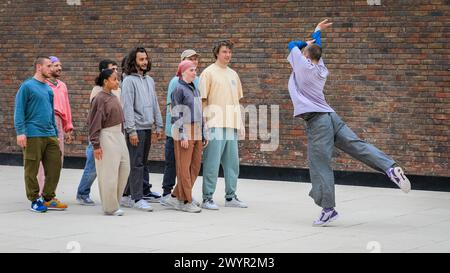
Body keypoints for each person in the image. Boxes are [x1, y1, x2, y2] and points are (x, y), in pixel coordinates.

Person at [287, 19, 411, 227]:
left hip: (317, 122)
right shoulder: (321, 68)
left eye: (304, 52)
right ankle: (390, 168)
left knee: (319, 165)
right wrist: (316, 33)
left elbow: (292, 44)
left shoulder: (302, 66)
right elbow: (315, 47)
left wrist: (302, 43)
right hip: (331, 117)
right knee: (357, 145)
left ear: (306, 56)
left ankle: (328, 210)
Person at [199, 40, 248, 210]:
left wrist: (240, 123)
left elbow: (236, 102)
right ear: (217, 53)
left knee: (232, 164)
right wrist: (204, 124)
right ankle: (207, 198)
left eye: (229, 52)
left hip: (231, 125)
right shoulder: (208, 73)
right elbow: (202, 101)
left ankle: (230, 196)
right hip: (214, 125)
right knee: (212, 163)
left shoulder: (233, 74)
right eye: (224, 52)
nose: (228, 55)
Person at [14, 56, 67, 212]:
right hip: (32, 134)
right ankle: (35, 199)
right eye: (48, 65)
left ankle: (48, 197)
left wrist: (56, 133)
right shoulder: (27, 86)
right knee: (31, 168)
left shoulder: (48, 89)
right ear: (39, 67)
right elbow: (19, 110)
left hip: (50, 134)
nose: (51, 68)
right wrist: (20, 132)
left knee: (55, 166)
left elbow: (51, 112)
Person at [121, 47, 164, 211]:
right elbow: (127, 108)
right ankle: (137, 198)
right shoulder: (128, 81)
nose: (145, 62)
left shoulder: (149, 80)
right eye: (141, 59)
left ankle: (125, 195)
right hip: (136, 129)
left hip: (147, 127)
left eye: (146, 59)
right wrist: (131, 130)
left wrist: (158, 125)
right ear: (134, 61)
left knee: (140, 163)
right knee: (136, 164)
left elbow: (154, 103)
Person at [163, 60, 208, 213]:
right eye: (191, 70)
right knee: (184, 167)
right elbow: (176, 113)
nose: (195, 72)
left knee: (194, 167)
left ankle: (175, 195)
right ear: (183, 72)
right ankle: (186, 201)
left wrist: (204, 132)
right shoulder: (178, 89)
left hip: (196, 129)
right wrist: (182, 135)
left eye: (195, 70)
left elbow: (201, 112)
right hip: (184, 130)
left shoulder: (195, 89)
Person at [76, 59, 119, 205]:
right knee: (93, 166)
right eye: (113, 69)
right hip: (99, 134)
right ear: (103, 74)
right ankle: (82, 193)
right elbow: (96, 117)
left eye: (116, 69)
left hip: (113, 134)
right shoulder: (98, 91)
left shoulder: (116, 89)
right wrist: (95, 141)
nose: (116, 71)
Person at [88, 69, 130, 216]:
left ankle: (115, 202)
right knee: (109, 173)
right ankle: (110, 207)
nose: (117, 82)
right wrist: (96, 145)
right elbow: (93, 122)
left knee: (125, 168)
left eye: (117, 79)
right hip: (107, 136)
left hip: (119, 135)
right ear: (105, 81)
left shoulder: (113, 96)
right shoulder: (99, 98)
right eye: (114, 79)